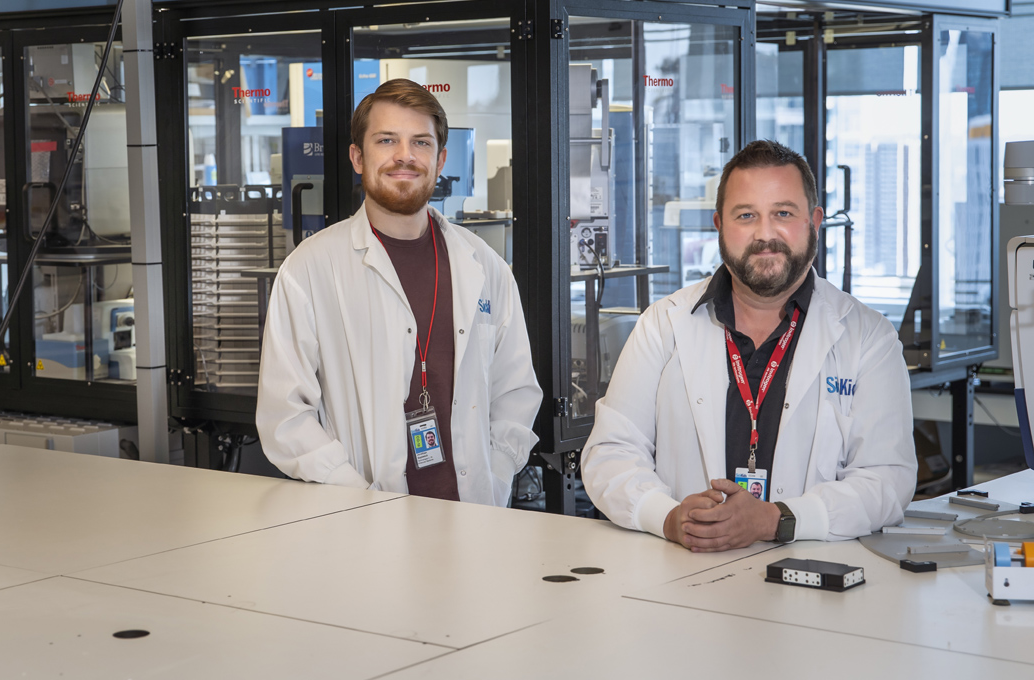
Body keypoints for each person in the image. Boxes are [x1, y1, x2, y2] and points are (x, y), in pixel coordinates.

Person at [581, 140, 916, 550]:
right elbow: (611, 450)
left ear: (814, 221)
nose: (765, 234)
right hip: (683, 575)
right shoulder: (664, 324)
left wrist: (776, 519)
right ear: (720, 225)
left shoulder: (868, 338)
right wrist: (666, 516)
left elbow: (887, 479)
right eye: (746, 216)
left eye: (783, 213)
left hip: (811, 583)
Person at [256, 79, 542, 506]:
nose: (404, 156)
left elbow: (515, 391)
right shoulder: (310, 269)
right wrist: (358, 499)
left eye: (421, 143)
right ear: (358, 156)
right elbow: (286, 418)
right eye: (386, 140)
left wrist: (497, 471)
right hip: (363, 525)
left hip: (475, 516)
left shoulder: (484, 267)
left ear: (441, 159)